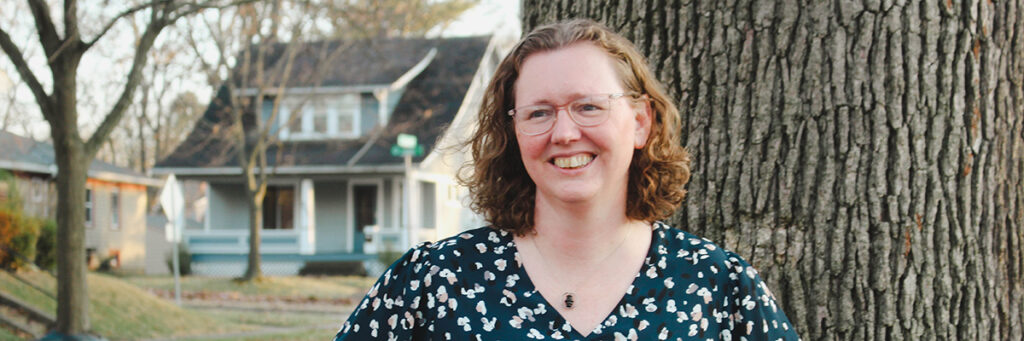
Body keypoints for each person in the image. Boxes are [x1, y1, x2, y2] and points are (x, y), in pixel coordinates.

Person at [335, 19, 799, 340]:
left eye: (589, 106)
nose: (564, 133)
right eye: (539, 113)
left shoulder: (718, 285)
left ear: (640, 122)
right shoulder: (432, 282)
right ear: (514, 132)